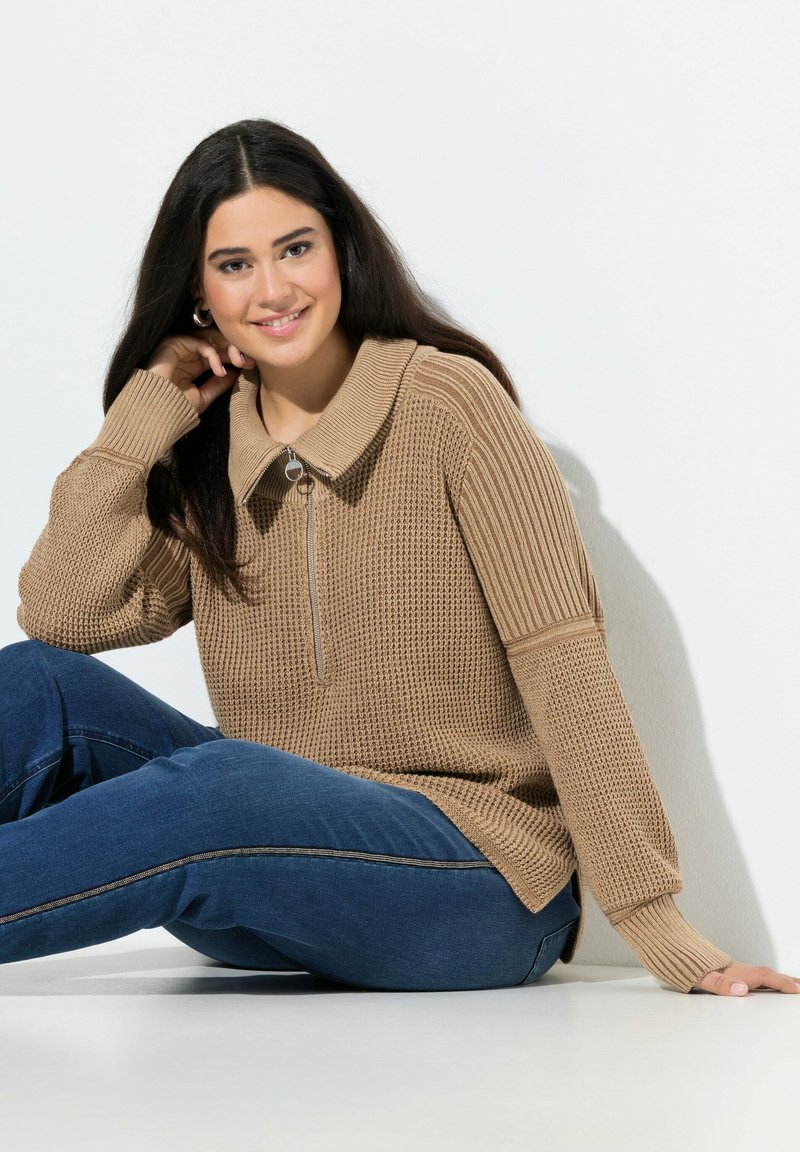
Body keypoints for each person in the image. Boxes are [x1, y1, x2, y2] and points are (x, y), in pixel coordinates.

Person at [4, 119, 796, 999]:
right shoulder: (209, 450)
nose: (273, 289)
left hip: (480, 885)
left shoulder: (448, 405)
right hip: (283, 870)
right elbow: (63, 614)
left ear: (340, 247)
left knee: (220, 785)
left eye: (295, 248)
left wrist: (655, 923)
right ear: (199, 292)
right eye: (234, 264)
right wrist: (141, 418)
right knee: (40, 685)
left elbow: (563, 663)